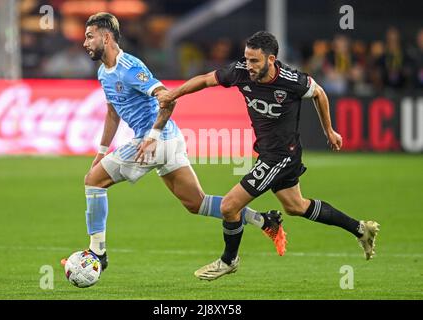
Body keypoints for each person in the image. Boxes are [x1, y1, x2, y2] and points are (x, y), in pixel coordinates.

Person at [61, 15, 287, 271]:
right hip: (171, 140)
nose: (85, 42)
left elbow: (167, 99)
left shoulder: (130, 67)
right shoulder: (104, 72)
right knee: (196, 203)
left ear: (106, 37)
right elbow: (113, 112)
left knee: (93, 181)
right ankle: (264, 221)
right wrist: (102, 151)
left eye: (89, 36)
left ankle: (97, 253)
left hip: (156, 141)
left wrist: (152, 137)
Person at [156, 31, 380, 281]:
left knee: (230, 206)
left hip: (281, 155)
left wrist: (329, 130)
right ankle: (360, 229)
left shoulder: (292, 81)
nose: (248, 66)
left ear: (271, 59)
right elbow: (207, 79)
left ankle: (228, 261)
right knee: (296, 206)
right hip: (269, 152)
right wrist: (173, 94)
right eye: (246, 59)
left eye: (255, 61)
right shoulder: (240, 71)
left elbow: (319, 93)